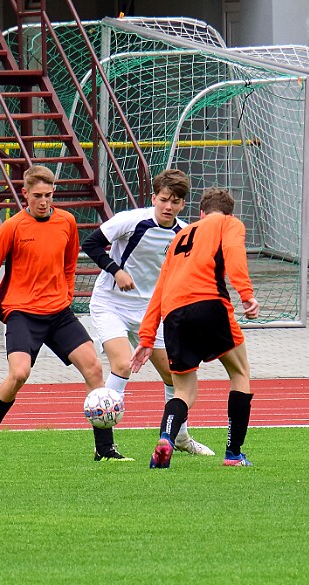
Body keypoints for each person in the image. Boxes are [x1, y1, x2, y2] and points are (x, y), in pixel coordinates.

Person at [0, 165, 133, 464]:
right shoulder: (13, 227)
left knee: (94, 368)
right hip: (22, 313)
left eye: (48, 195)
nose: (43, 201)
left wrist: (66, 294)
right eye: (37, 196)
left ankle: (105, 449)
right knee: (19, 374)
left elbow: (70, 263)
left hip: (58, 312)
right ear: (25, 194)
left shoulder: (67, 222)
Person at [82, 169, 214, 456]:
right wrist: (116, 271)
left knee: (173, 376)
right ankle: (105, 448)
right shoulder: (131, 221)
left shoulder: (185, 233)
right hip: (111, 304)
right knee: (122, 365)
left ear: (182, 205)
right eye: (164, 199)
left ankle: (179, 437)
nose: (168, 206)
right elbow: (90, 243)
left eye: (176, 202)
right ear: (154, 198)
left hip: (150, 312)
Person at [130, 187, 260, 468]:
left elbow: (160, 288)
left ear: (200, 213)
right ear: (229, 213)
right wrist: (246, 294)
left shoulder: (179, 237)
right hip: (209, 304)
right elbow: (235, 254)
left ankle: (166, 437)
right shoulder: (229, 223)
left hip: (173, 315)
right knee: (240, 373)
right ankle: (233, 454)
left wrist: (147, 336)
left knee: (184, 391)